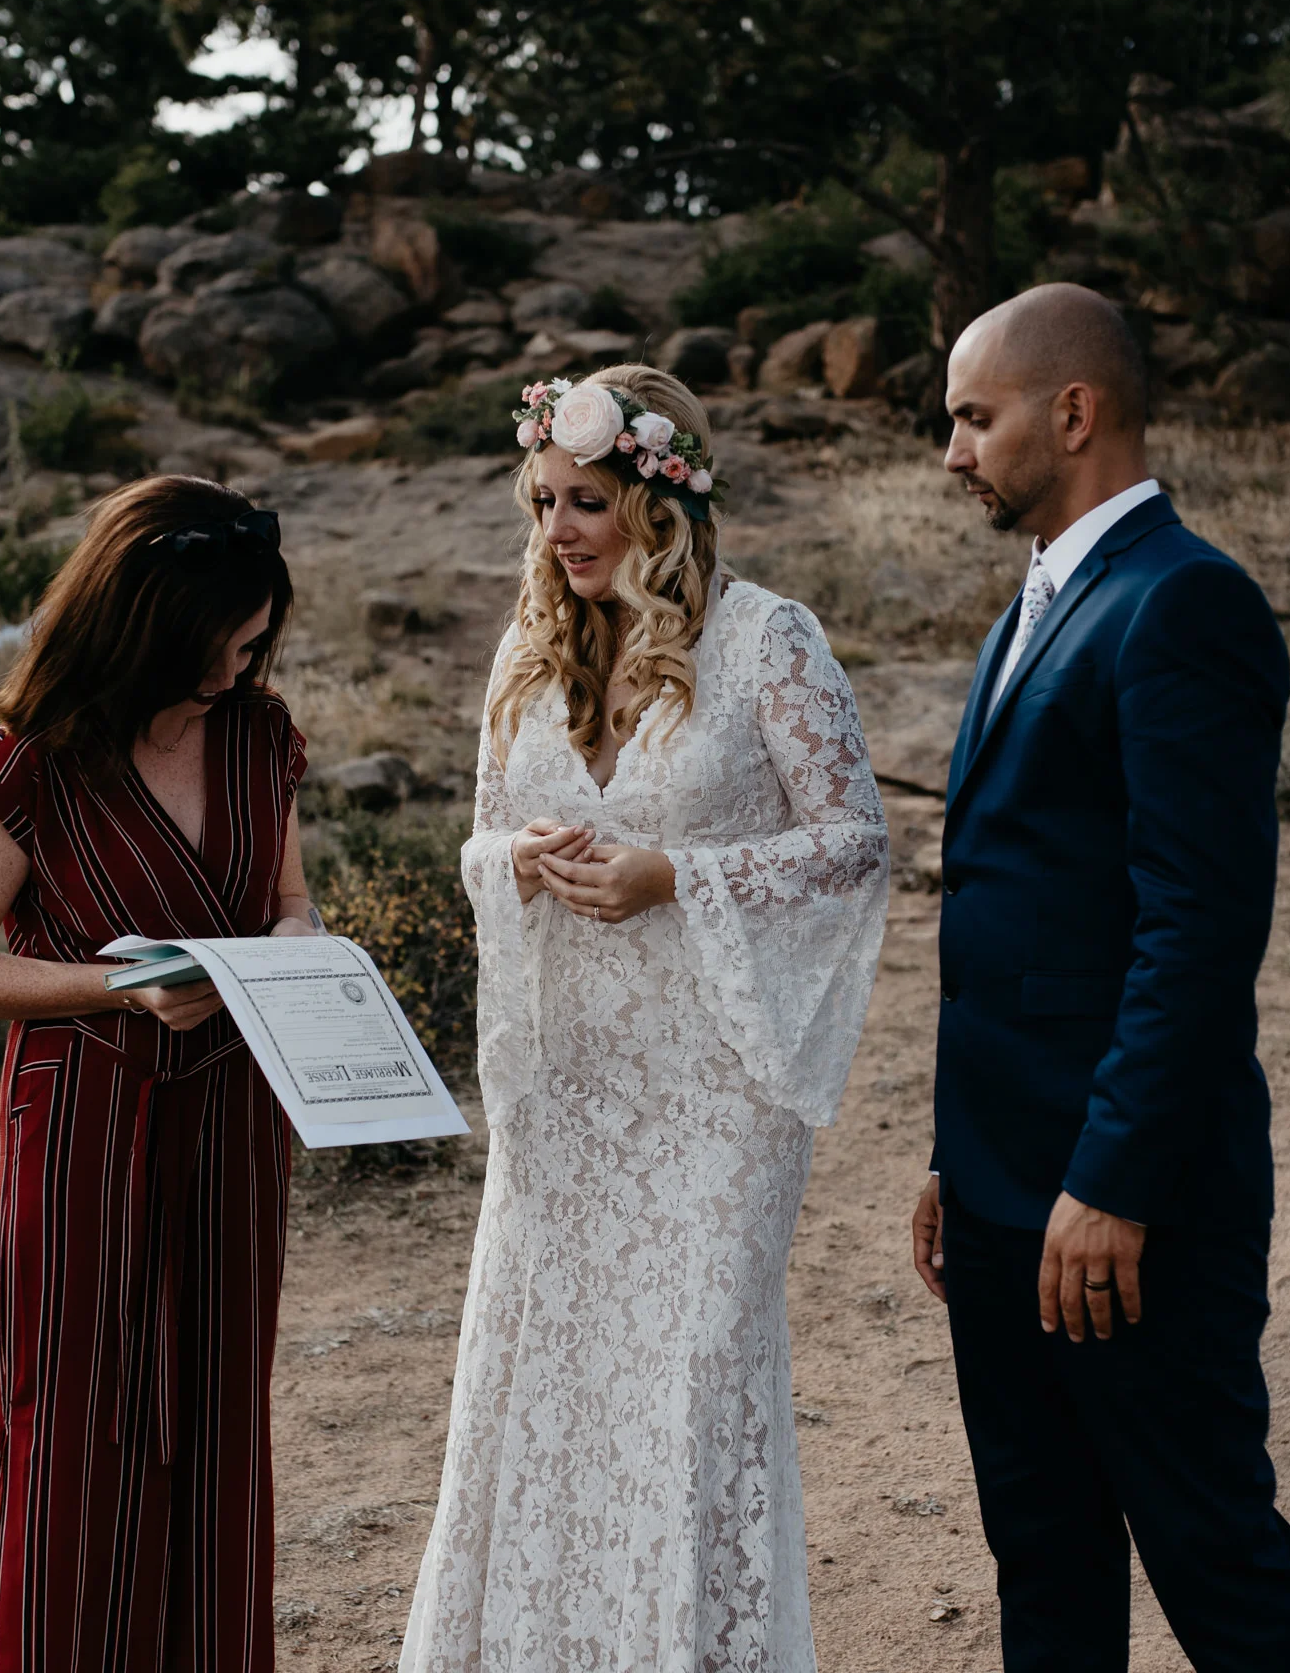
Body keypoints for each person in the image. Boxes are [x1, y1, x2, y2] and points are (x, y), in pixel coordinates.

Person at [399, 365, 889, 1671]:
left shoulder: (766, 642)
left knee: (691, 1379)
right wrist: (515, 860)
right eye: (545, 500)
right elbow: (482, 833)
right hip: (572, 1085)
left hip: (716, 1091)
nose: (560, 528)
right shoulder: (525, 649)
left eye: (590, 500)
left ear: (663, 500)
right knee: (546, 1369)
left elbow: (853, 843)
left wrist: (683, 874)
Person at [909, 284, 1290, 1670]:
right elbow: (1027, 916)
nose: (954, 451)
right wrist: (954, 1153)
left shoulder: (1184, 604)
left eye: (975, 417)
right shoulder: (1038, 603)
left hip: (1126, 1203)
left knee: (1216, 1557)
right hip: (1000, 1189)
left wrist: (1111, 1181)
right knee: (1043, 1560)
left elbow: (1199, 931)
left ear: (1075, 410)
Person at [0, 476, 317, 1673]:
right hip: (85, 1128)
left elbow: (288, 899)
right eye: (226, 643)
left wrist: (297, 949)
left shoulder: (258, 734)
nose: (243, 665)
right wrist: (113, 985)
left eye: (256, 641)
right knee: (73, 1434)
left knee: (221, 1421)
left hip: (236, 1121)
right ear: (150, 625)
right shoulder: (32, 767)